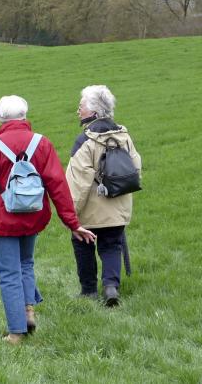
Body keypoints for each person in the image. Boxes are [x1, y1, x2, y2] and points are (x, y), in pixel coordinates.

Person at [0, 95, 96, 345]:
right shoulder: (42, 144)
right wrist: (72, 223)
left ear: (0, 118)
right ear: (24, 115)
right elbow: (58, 186)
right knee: (26, 264)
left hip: (2, 219)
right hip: (33, 215)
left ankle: (16, 333)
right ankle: (28, 311)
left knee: (9, 273)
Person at [66, 85, 142, 306]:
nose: (78, 111)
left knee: (83, 245)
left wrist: (71, 214)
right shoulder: (124, 136)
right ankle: (111, 287)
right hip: (117, 206)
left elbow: (77, 182)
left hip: (90, 210)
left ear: (94, 112)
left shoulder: (85, 141)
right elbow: (136, 169)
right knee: (111, 245)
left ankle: (88, 291)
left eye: (81, 106)